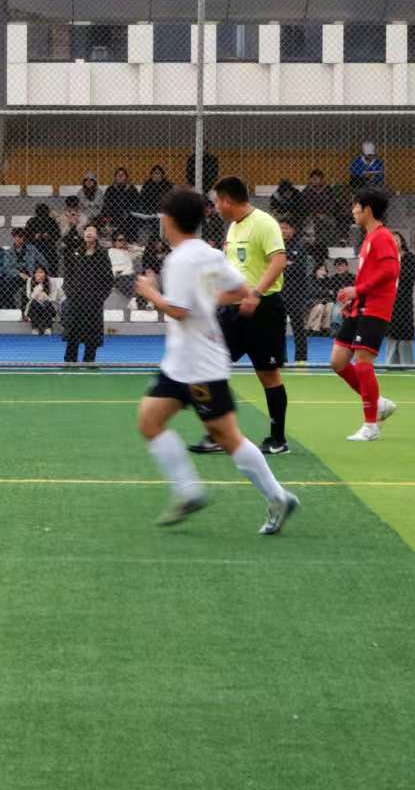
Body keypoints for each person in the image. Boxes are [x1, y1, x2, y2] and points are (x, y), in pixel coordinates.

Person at [134, 188, 299, 535]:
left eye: (163, 217)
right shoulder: (208, 253)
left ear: (170, 220)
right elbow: (241, 290)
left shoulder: (180, 260)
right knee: (149, 420)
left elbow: (180, 311)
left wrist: (150, 293)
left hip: (199, 364)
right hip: (181, 362)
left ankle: (278, 497)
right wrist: (205, 298)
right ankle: (188, 491)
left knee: (228, 437)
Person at [190, 177, 291, 457]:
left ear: (227, 201)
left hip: (264, 309)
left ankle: (278, 439)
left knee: (267, 374)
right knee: (209, 366)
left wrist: (256, 294)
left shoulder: (264, 223)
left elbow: (279, 260)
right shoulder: (233, 227)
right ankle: (218, 433)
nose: (215, 207)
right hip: (232, 312)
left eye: (216, 201)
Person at [331, 189, 401, 442]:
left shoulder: (382, 236)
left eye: (356, 206)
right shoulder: (370, 237)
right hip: (360, 306)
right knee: (338, 361)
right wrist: (354, 298)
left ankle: (370, 426)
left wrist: (357, 290)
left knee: (363, 363)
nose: (353, 210)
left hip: (375, 308)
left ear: (367, 209)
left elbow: (390, 271)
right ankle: (377, 402)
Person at [61, 221, 113, 363]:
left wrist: (99, 297)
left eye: (92, 231)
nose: (89, 233)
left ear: (97, 236)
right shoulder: (75, 252)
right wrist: (70, 292)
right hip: (76, 299)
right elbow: (68, 275)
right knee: (73, 333)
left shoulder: (102, 254)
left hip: (93, 301)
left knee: (92, 333)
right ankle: (70, 362)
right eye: (86, 230)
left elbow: (108, 279)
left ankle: (89, 362)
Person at [278, 218, 313, 364]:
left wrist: (282, 266)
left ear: (293, 230)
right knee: (278, 328)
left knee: (298, 326)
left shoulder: (300, 246)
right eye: (281, 228)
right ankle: (281, 359)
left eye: (286, 228)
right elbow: (271, 267)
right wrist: (286, 264)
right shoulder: (275, 246)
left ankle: (301, 359)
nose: (283, 231)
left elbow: (298, 268)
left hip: (296, 294)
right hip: (279, 292)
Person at [385, 233, 415, 367]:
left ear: (402, 242)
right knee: (392, 327)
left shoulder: (409, 257)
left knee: (405, 326)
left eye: (397, 240)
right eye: (392, 240)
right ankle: (392, 362)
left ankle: (407, 362)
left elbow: (411, 275)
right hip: (390, 296)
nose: (394, 242)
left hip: (404, 296)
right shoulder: (387, 258)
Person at [98, 167, 142, 241]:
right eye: (118, 174)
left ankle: (131, 241)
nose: (120, 176)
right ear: (115, 177)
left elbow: (136, 204)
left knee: (132, 219)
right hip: (114, 215)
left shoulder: (132, 189)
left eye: (122, 174)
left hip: (128, 216)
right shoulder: (110, 189)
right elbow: (106, 204)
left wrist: (128, 212)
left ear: (126, 177)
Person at [300, 169, 341, 236]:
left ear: (322, 180)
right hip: (311, 215)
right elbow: (304, 205)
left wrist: (325, 213)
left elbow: (332, 203)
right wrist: (315, 213)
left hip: (326, 214)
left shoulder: (328, 190)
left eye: (317, 178)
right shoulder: (306, 191)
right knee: (309, 223)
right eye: (312, 178)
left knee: (332, 222)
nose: (314, 180)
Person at [24, 203, 62, 275]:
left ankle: (50, 273)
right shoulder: (32, 221)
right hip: (35, 246)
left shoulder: (51, 221)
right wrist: (34, 236)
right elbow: (26, 235)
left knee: (51, 259)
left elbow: (57, 235)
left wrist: (49, 236)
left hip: (48, 246)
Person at [26, 265, 58, 335]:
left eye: (41, 272)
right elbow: (29, 296)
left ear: (45, 273)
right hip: (35, 302)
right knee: (34, 303)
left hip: (49, 303)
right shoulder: (30, 280)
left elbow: (54, 297)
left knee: (46, 303)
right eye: (36, 272)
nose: (39, 275)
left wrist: (45, 296)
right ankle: (35, 328)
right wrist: (38, 288)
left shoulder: (51, 281)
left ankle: (48, 327)